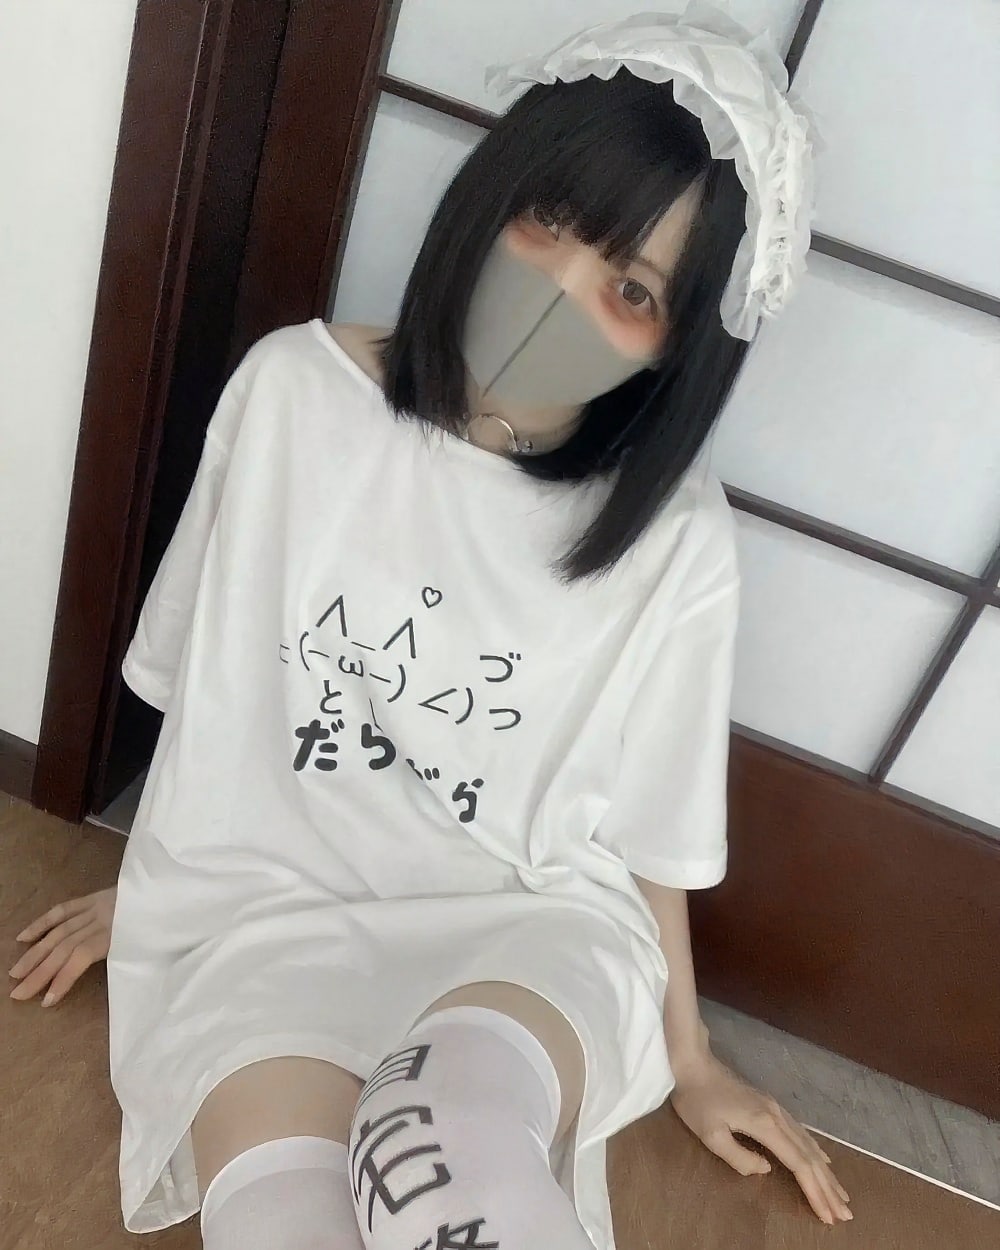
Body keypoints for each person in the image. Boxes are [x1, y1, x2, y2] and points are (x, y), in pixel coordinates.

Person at [9, 9, 852, 1249]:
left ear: (677, 349)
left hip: (524, 923)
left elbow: (651, 827)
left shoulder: (673, 538)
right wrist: (152, 891)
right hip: (261, 918)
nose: (558, 293)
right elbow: (210, 689)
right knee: (293, 1221)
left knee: (445, 1152)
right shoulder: (294, 395)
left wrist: (687, 1053)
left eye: (629, 290)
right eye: (548, 221)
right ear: (491, 189)